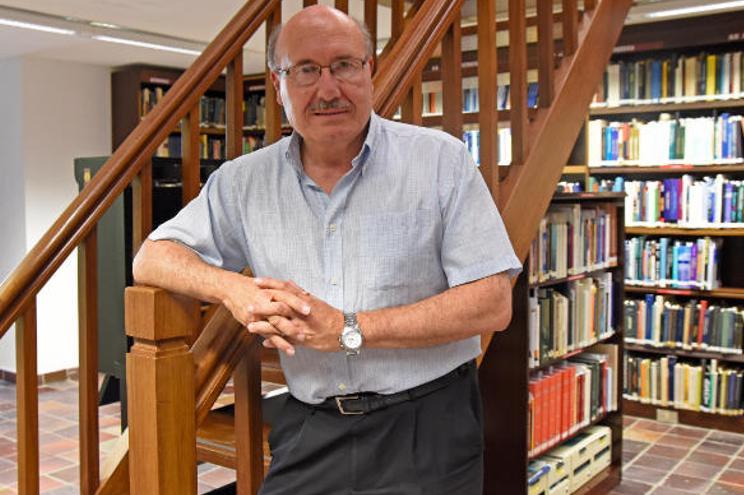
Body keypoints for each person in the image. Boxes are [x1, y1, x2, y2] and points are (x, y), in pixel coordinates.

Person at [132, 5, 521, 494]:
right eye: (307, 71)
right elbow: (152, 255)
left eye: (344, 65)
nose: (328, 88)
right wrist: (231, 288)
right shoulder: (243, 181)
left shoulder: (439, 160)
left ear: (370, 71)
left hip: (429, 427)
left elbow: (492, 301)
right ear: (278, 85)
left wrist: (348, 330)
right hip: (312, 426)